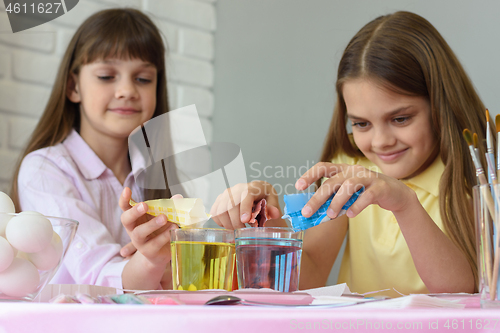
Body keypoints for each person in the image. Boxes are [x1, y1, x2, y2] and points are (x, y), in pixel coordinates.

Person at [210, 11, 488, 297]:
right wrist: (267, 224)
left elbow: (460, 291)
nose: (380, 141)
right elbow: (310, 273)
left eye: (401, 119)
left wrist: (404, 204)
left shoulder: (475, 176)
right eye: (361, 124)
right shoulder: (349, 169)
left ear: (440, 105)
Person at [11, 8, 182, 291]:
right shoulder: (44, 170)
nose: (127, 90)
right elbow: (98, 277)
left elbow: (181, 279)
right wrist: (151, 262)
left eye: (143, 78)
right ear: (73, 87)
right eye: (106, 76)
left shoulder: (158, 177)